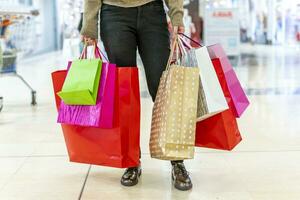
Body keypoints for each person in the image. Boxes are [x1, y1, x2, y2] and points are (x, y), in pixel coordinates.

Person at [81, 0, 192, 191]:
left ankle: (177, 160)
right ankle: (131, 159)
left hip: (152, 11)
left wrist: (176, 14)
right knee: (124, 92)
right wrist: (89, 24)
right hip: (114, 14)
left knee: (162, 87)